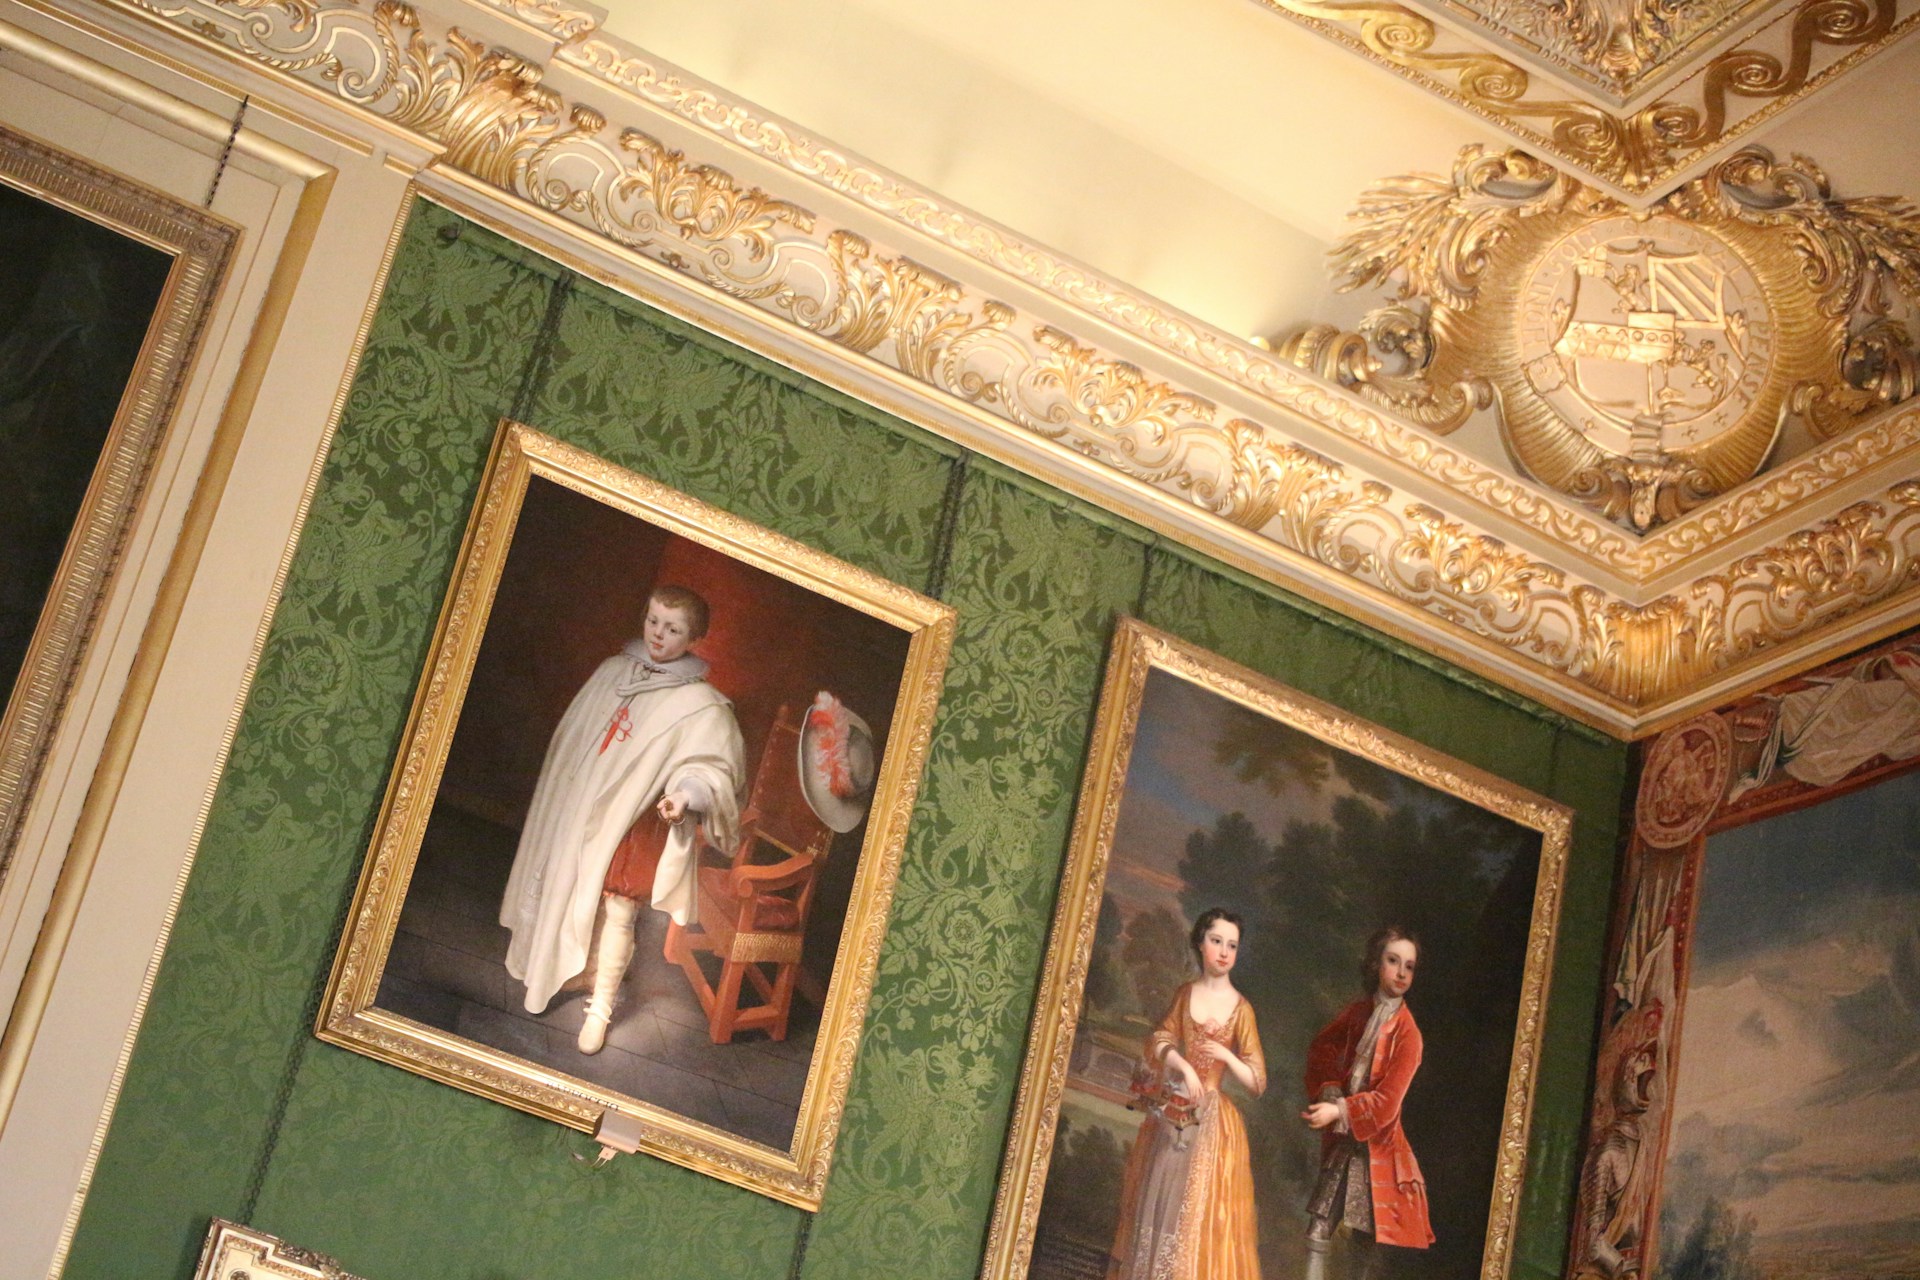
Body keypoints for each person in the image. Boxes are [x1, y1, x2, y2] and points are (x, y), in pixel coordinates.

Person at [499, 586, 746, 1053]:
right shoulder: (612, 671)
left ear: (694, 637)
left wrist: (684, 795)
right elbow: (574, 741)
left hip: (640, 817)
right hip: (581, 809)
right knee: (568, 883)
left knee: (619, 908)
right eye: (654, 621)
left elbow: (712, 767)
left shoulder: (702, 704)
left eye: (673, 629)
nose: (659, 635)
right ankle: (569, 970)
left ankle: (601, 1009)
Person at [1107, 908, 1266, 1280]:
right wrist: (1181, 1064)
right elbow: (1159, 1038)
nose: (1224, 952)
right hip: (1173, 1111)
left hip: (1211, 1126)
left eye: (1232, 945)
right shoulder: (1185, 993)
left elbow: (1258, 1080)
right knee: (1157, 1202)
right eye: (1216, 941)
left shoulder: (1242, 1010)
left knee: (1194, 1212)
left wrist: (1226, 1054)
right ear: (1200, 943)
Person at [1301, 927, 1435, 1280]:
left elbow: (1387, 1104)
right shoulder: (1358, 1012)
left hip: (1379, 1151)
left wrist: (1340, 1110)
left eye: (1410, 966)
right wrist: (1330, 1090)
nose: (1402, 973)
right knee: (1318, 1228)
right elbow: (1322, 1048)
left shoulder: (1409, 1035)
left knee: (1364, 1243)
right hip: (1347, 1144)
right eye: (1393, 961)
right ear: (1376, 964)